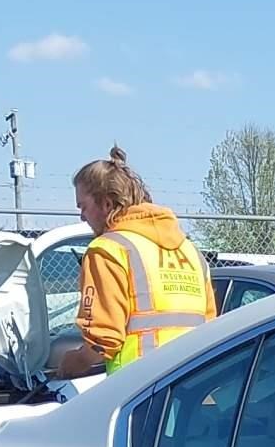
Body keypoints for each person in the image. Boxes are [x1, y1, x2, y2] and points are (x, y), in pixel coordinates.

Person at [52, 148, 214, 377]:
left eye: (83, 206)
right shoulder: (190, 252)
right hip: (192, 388)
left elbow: (102, 342)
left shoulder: (107, 251)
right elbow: (210, 326)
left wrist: (72, 363)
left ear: (106, 203)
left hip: (138, 389)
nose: (82, 217)